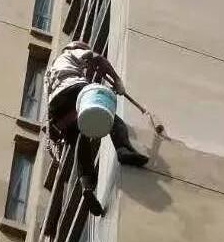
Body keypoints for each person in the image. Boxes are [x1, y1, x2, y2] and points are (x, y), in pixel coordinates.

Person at [46, 41, 149, 216]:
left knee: (81, 141)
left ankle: (86, 185)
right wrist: (117, 80)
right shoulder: (72, 53)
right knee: (110, 117)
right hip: (74, 89)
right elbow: (97, 59)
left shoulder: (51, 70)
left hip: (57, 109)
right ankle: (123, 150)